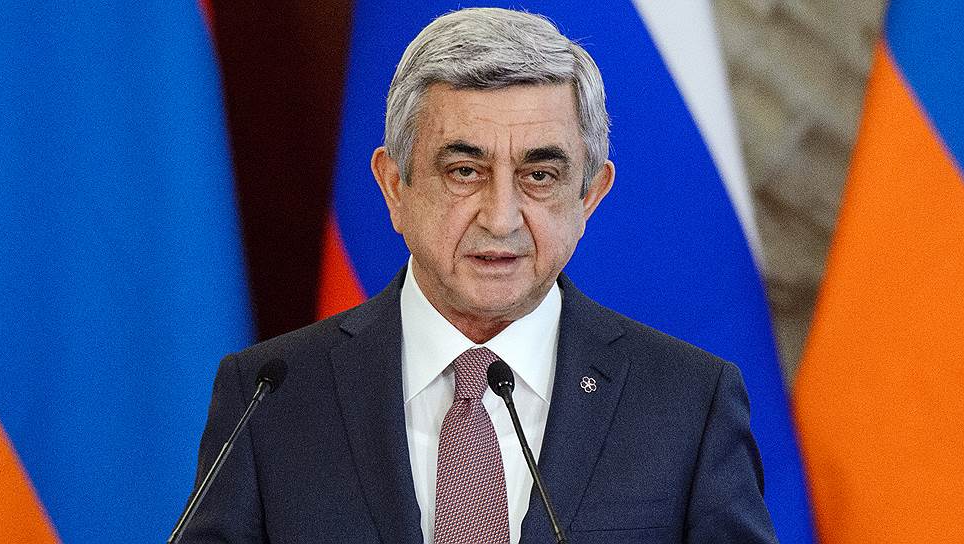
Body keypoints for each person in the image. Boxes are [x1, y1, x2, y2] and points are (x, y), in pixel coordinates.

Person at [180, 7, 778, 543]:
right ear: (394, 186)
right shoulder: (270, 397)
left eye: (539, 176)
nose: (501, 218)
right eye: (464, 171)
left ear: (590, 196)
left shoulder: (686, 404)